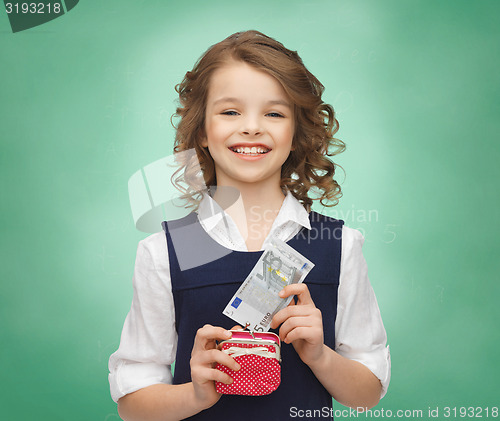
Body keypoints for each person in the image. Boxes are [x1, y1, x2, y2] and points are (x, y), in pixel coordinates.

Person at [108, 30, 390, 421]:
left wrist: (320, 356)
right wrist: (196, 395)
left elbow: (367, 395)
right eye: (230, 111)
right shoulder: (167, 251)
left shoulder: (338, 245)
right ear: (202, 131)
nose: (252, 127)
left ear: (296, 133)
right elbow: (132, 403)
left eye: (274, 113)